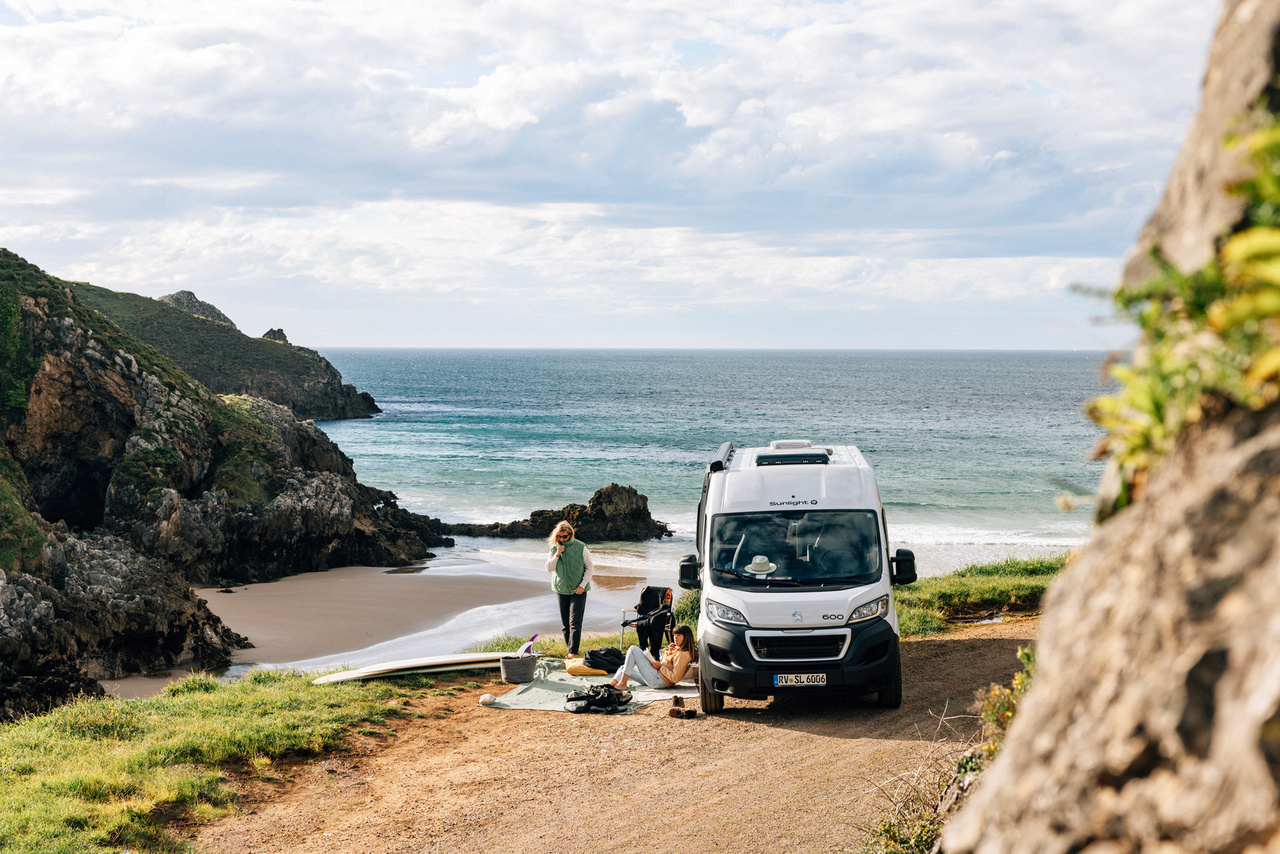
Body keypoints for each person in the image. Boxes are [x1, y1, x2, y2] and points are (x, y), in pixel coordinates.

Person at [546, 520, 593, 657]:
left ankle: (573, 652)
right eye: (559, 537)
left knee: (575, 623)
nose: (562, 539)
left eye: (564, 536)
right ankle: (569, 649)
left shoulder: (581, 547)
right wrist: (557, 554)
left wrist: (582, 585)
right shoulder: (554, 548)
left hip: (578, 590)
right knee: (565, 624)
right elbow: (549, 568)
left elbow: (590, 567)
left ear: (570, 535)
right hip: (561, 589)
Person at [608, 624, 697, 690]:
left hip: (659, 681)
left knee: (633, 649)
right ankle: (609, 686)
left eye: (679, 635)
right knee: (624, 667)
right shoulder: (678, 650)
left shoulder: (683, 655)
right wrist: (669, 653)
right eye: (674, 635)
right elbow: (668, 665)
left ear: (686, 638)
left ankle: (622, 684)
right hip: (657, 677)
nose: (675, 638)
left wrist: (660, 667)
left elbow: (675, 678)